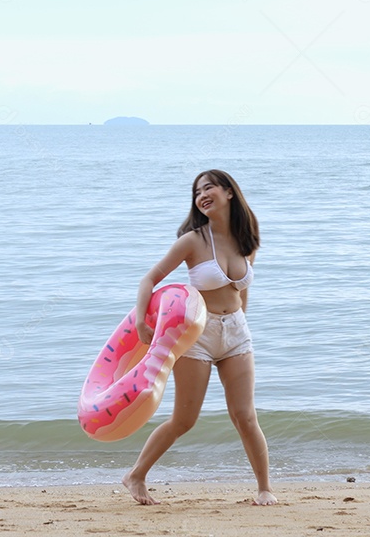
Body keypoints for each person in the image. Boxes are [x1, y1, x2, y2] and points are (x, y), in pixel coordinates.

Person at [122, 170, 277, 506]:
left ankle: (265, 489)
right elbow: (149, 279)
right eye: (196, 192)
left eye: (208, 188)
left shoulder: (247, 238)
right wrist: (140, 322)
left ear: (229, 192)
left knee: (245, 416)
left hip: (236, 332)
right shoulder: (193, 240)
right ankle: (136, 475)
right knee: (185, 419)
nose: (201, 195)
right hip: (198, 334)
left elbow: (243, 288)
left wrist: (241, 323)